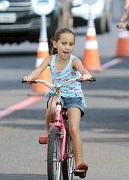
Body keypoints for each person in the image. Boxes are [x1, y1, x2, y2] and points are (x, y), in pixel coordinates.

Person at [23, 28, 92, 178]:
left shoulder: (74, 60)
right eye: (64, 43)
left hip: (74, 96)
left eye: (71, 44)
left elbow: (83, 69)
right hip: (57, 93)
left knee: (74, 128)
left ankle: (79, 163)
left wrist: (86, 75)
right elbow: (38, 70)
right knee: (52, 106)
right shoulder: (49, 60)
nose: (67, 47)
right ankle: (48, 130)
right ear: (55, 43)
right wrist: (30, 77)